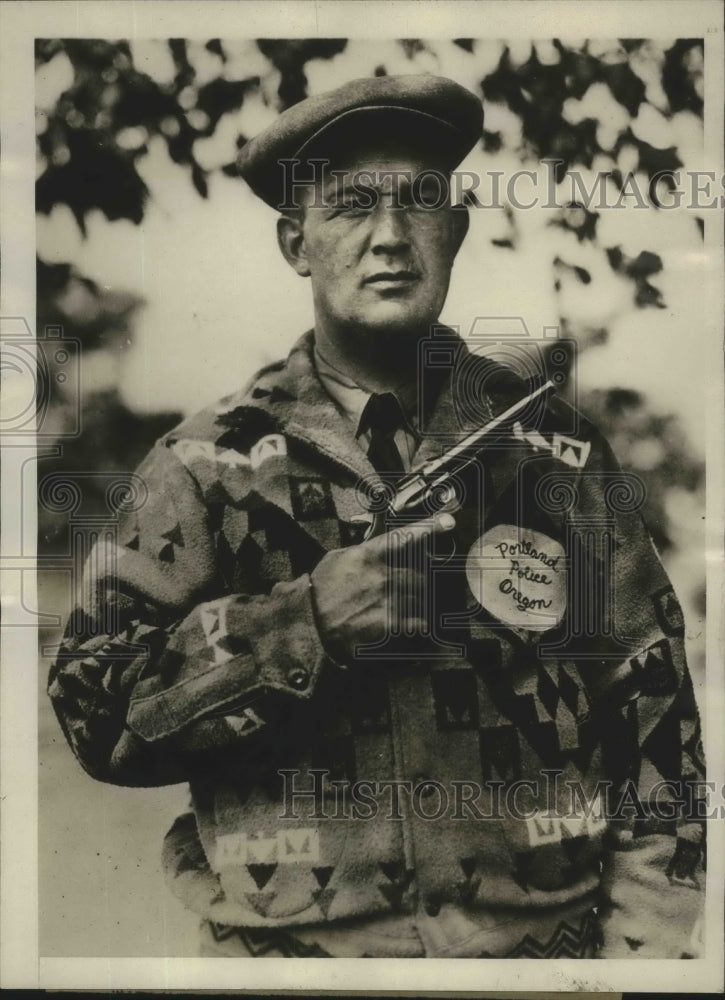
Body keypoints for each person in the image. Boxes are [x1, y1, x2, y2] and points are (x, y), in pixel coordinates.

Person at [49, 74, 706, 959]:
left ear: (457, 228)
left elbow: (656, 714)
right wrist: (304, 623)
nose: (390, 236)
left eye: (420, 202)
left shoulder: (556, 453)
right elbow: (94, 715)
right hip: (286, 967)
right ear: (296, 243)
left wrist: (642, 960)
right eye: (350, 205)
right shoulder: (204, 464)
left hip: (540, 962)